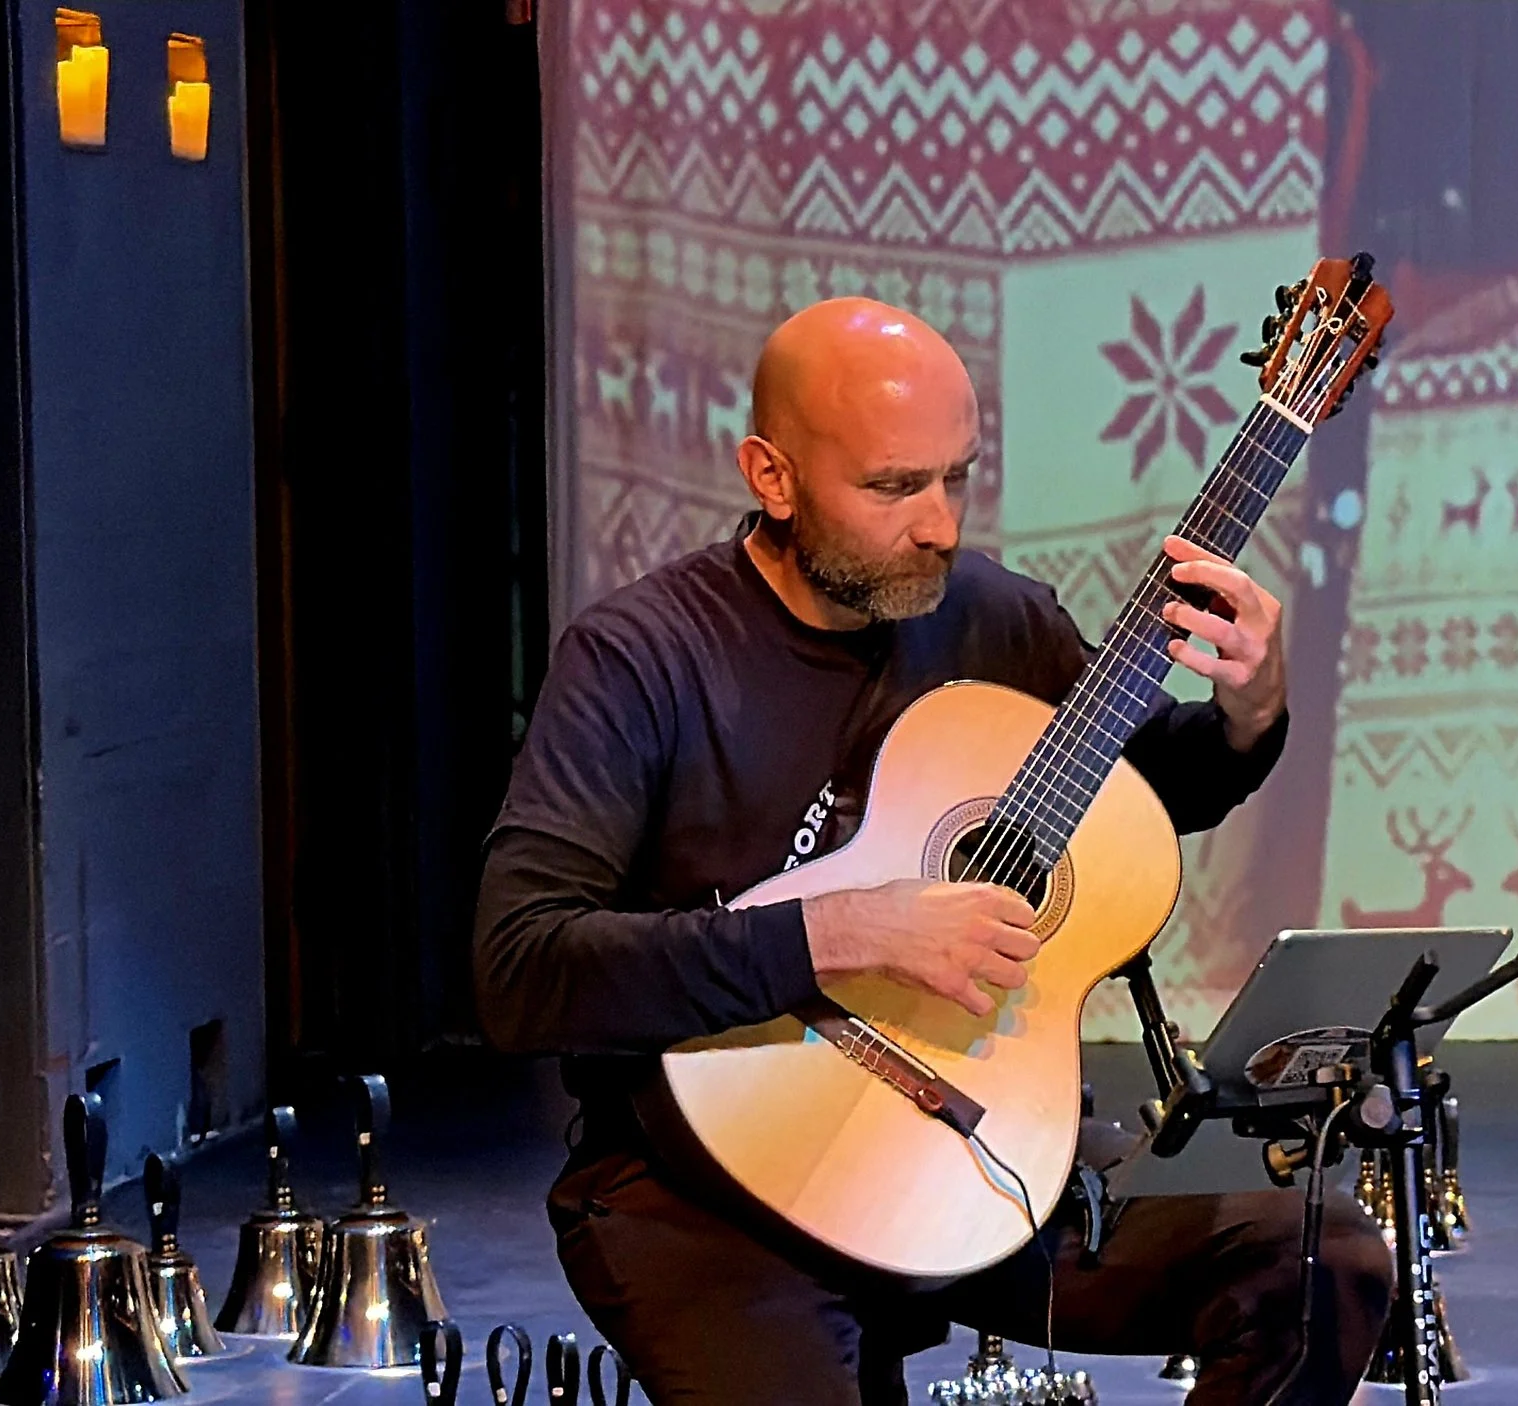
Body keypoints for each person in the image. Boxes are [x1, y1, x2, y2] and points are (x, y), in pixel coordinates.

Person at [474, 297, 1392, 1404]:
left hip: (969, 1133)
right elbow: (522, 970)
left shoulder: (994, 617)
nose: (940, 525)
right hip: (705, 1179)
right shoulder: (639, 659)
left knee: (1314, 1253)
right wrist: (843, 932)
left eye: (956, 476)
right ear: (771, 476)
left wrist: (1252, 708)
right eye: (894, 487)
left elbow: (1141, 789)